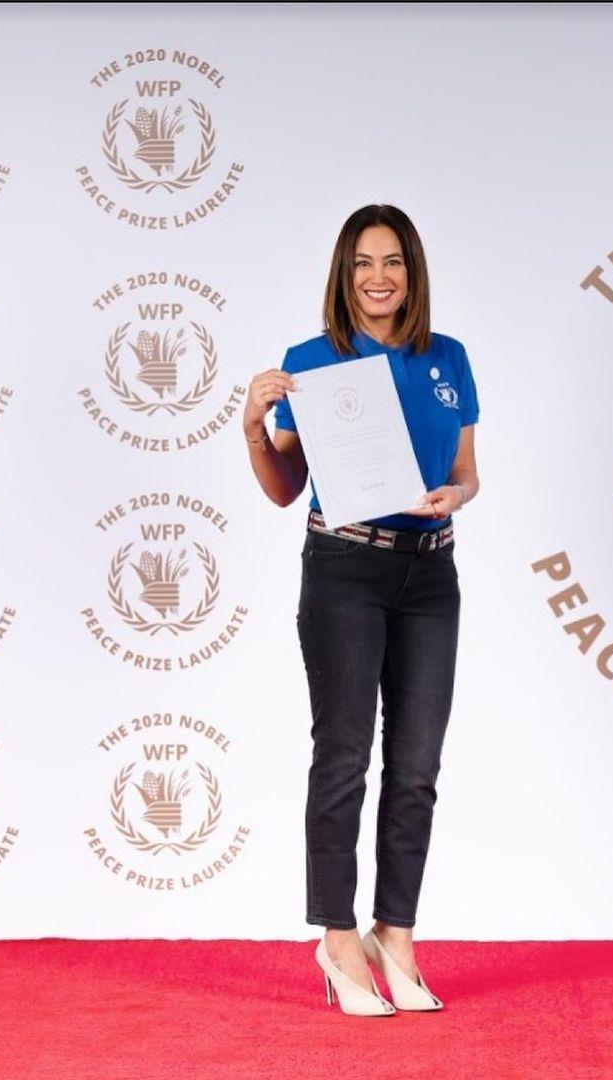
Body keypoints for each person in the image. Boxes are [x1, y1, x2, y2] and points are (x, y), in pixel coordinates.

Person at [243, 204, 480, 1015]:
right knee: (343, 757)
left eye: (393, 262)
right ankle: (337, 937)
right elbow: (284, 488)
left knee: (417, 767)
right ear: (344, 276)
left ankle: (396, 934)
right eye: (362, 264)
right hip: (345, 568)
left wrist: (459, 495)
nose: (378, 278)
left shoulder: (448, 357)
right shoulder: (312, 365)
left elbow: (467, 470)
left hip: (432, 573)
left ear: (413, 273)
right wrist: (253, 427)